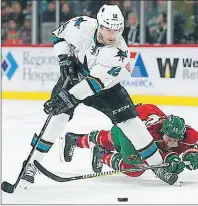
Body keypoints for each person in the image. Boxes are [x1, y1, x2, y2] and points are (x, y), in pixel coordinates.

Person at [19, 4, 178, 189]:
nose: (113, 35)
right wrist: (64, 59)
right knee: (57, 118)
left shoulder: (119, 52)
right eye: (109, 29)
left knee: (132, 123)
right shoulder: (81, 26)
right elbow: (58, 35)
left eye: (117, 30)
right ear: (99, 26)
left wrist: (67, 97)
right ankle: (31, 164)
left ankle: (159, 165)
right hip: (76, 76)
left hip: (106, 88)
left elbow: (93, 84)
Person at [64, 104, 198, 178]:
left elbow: (194, 147)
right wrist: (169, 158)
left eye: (175, 140)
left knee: (135, 169)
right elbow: (151, 156)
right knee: (131, 161)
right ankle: (78, 141)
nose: (171, 143)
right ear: (162, 131)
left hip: (145, 114)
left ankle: (102, 154)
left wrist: (192, 155)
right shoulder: (150, 133)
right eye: (169, 138)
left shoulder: (189, 136)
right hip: (130, 125)